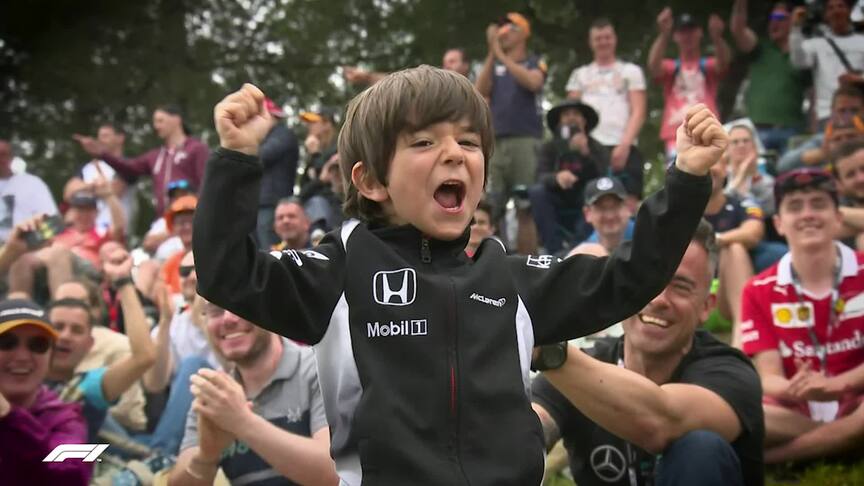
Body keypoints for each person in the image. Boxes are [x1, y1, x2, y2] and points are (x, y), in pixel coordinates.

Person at [193, 67, 726, 484]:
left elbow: (628, 279)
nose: (454, 153)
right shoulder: (338, 272)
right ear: (372, 180)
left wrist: (686, 180)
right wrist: (236, 159)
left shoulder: (511, 279)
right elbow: (226, 274)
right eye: (424, 142)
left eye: (469, 143)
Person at [533, 220, 764, 486]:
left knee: (699, 449)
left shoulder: (730, 373)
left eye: (680, 286)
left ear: (706, 306)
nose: (657, 299)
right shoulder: (586, 367)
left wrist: (545, 350)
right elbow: (534, 425)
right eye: (646, 280)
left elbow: (661, 422)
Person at [741, 168, 864, 463]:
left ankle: (773, 460)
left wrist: (837, 385)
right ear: (779, 223)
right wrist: (801, 389)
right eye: (795, 207)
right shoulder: (757, 289)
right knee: (739, 410)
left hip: (857, 399)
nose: (807, 214)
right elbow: (768, 376)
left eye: (818, 204)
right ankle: (845, 440)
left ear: (838, 218)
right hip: (794, 407)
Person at [169, 303, 337, 485]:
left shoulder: (318, 369)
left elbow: (335, 474)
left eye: (239, 304)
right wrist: (206, 456)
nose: (228, 318)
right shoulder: (215, 394)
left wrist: (242, 423)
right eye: (215, 310)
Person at [44, 246, 156, 440]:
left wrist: (123, 281)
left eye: (77, 330)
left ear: (90, 343)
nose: (65, 336)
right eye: (58, 326)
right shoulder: (17, 374)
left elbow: (144, 357)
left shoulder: (87, 387)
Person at [476, 12, 546, 254]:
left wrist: (502, 57)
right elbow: (479, 90)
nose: (503, 32)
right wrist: (492, 52)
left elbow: (533, 82)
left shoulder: (535, 61)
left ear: (523, 33)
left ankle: (528, 264)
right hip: (496, 142)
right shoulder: (494, 64)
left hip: (525, 141)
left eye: (510, 28)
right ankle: (494, 260)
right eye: (501, 28)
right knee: (493, 205)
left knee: (525, 205)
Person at [0, 299, 90, 485]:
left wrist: (10, 417)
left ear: (50, 357)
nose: (22, 356)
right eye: (7, 343)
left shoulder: (68, 419)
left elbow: (73, 475)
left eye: (37, 345)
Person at [73, 105, 210, 215]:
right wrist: (102, 153)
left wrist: (201, 212)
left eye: (160, 120)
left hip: (190, 215)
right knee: (144, 247)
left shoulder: (197, 148)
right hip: (164, 220)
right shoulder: (155, 156)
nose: (156, 126)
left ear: (176, 119)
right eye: (155, 122)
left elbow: (207, 184)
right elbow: (129, 168)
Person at [566, 18, 646, 197]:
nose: (603, 42)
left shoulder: (631, 72)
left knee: (628, 201)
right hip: (590, 147)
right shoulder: (579, 75)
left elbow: (638, 111)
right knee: (588, 201)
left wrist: (625, 145)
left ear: (615, 39)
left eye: (607, 37)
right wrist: (580, 140)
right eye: (598, 38)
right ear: (590, 42)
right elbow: (570, 113)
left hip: (623, 145)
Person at [648, 9, 731, 160]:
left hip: (707, 131)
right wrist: (663, 34)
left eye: (691, 31)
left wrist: (717, 37)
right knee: (678, 177)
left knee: (711, 178)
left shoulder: (708, 66)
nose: (687, 36)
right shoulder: (671, 68)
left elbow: (724, 63)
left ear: (700, 33)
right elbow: (653, 67)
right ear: (675, 36)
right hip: (675, 134)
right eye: (682, 32)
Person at [730, 1, 808, 155]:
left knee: (788, 176)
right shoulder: (760, 49)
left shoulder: (803, 54)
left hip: (792, 129)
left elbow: (813, 92)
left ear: (793, 20)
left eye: (780, 17)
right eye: (772, 17)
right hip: (758, 129)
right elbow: (738, 29)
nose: (774, 21)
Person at [529, 100, 607, 253]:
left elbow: (603, 179)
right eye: (566, 114)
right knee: (536, 192)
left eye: (576, 114)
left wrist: (585, 153)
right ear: (559, 122)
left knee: (597, 195)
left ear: (584, 121)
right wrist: (556, 178)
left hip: (585, 197)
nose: (571, 118)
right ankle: (554, 249)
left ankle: (576, 249)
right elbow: (540, 176)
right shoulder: (549, 147)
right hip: (556, 197)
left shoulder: (597, 147)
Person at [790, 0, 864, 127]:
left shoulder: (861, 41)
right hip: (828, 114)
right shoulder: (816, 44)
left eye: (841, 6)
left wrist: (858, 79)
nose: (836, 11)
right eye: (831, 8)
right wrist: (796, 28)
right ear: (826, 15)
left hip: (860, 111)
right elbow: (799, 62)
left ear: (849, 11)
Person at [66, 124, 138, 234]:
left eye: (106, 136)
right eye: (99, 136)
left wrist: (82, 188)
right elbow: (68, 192)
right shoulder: (87, 167)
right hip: (85, 233)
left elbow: (115, 190)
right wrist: (95, 186)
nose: (100, 140)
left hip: (114, 232)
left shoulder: (128, 165)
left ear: (120, 138)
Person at [777, 85, 864, 173]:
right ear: (832, 112)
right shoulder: (823, 139)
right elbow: (783, 165)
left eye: (854, 110)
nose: (847, 116)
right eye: (842, 110)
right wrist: (823, 153)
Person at [256, 98, 300, 249]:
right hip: (261, 203)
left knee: (270, 250)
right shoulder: (269, 137)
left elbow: (262, 156)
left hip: (273, 204)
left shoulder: (283, 135)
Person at [0, 139, 58, 242]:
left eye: (3, 155)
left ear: (11, 158)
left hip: (24, 248)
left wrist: (31, 241)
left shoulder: (32, 184)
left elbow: (53, 223)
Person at [725, 124, 777, 216]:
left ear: (754, 146)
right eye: (735, 142)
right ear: (727, 148)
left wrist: (755, 177)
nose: (741, 145)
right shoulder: (720, 175)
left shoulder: (766, 177)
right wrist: (741, 175)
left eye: (746, 141)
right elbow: (722, 206)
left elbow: (770, 209)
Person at [581, 177, 633, 255]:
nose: (610, 216)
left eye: (616, 206)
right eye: (601, 208)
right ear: (587, 214)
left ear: (628, 208)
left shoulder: (648, 241)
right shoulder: (583, 256)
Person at [299, 107, 340, 187]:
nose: (309, 126)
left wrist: (315, 154)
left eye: (313, 122)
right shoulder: (317, 148)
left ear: (327, 124)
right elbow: (304, 183)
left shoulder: (337, 148)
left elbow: (323, 177)